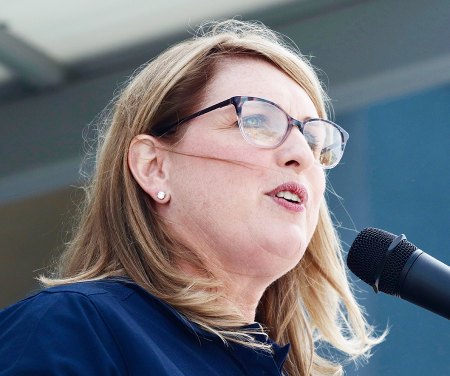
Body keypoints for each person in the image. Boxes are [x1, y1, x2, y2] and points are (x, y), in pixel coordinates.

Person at [0, 20, 384, 375]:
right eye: (255, 121)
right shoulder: (69, 327)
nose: (301, 154)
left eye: (316, 140)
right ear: (154, 167)